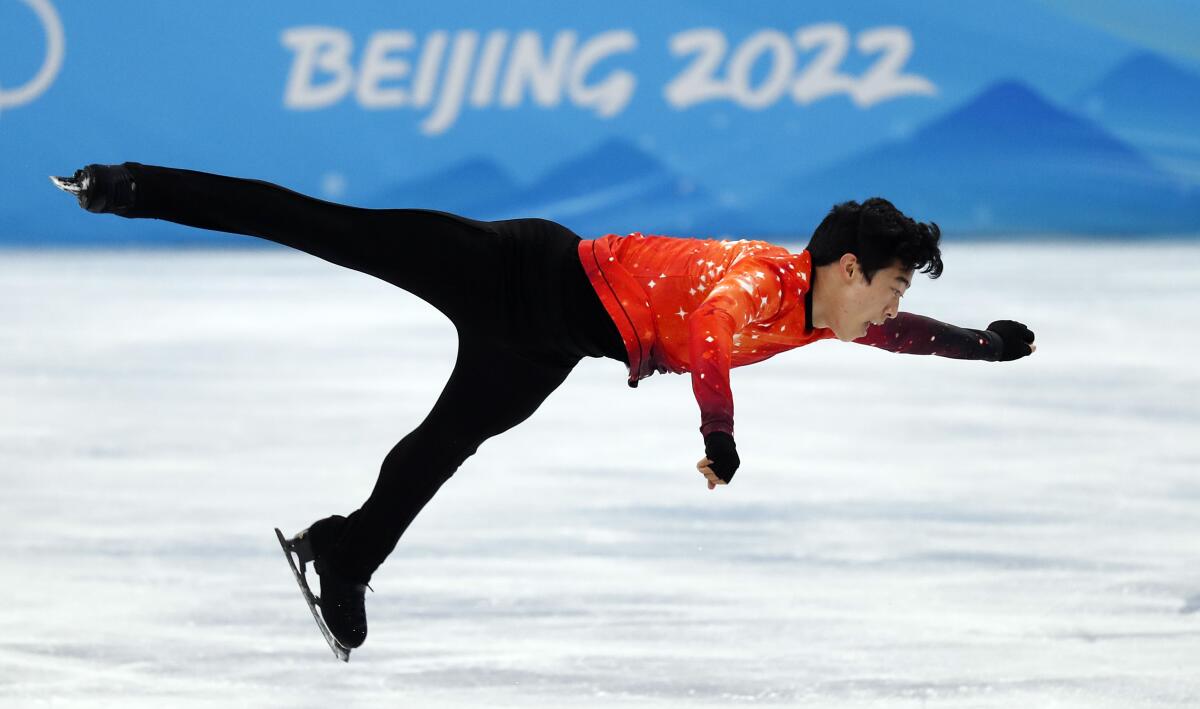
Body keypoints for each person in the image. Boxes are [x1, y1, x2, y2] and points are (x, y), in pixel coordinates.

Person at [51, 162, 1036, 651]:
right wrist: (720, 440)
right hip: (515, 268)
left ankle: (342, 552)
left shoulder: (832, 313)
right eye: (896, 284)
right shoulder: (756, 285)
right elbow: (703, 348)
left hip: (554, 339)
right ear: (851, 267)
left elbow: (899, 335)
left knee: (444, 446)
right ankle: (133, 187)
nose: (899, 305)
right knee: (329, 228)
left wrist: (981, 344)